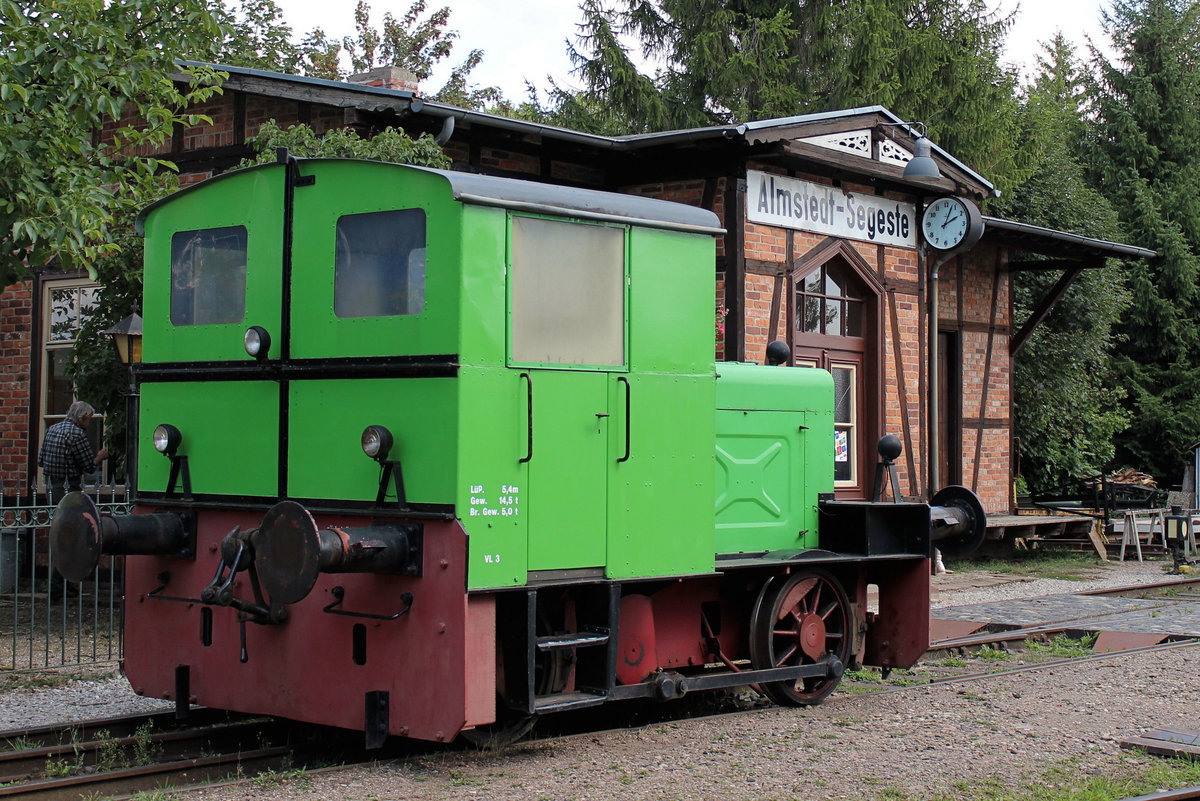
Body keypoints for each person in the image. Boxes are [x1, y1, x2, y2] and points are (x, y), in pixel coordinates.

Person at [38, 401, 108, 504]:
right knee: (70, 517)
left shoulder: (52, 429)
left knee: (55, 516)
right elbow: (89, 466)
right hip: (69, 486)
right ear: (84, 417)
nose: (89, 423)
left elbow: (41, 461)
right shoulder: (77, 433)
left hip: (50, 485)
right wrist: (100, 457)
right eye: (89, 419)